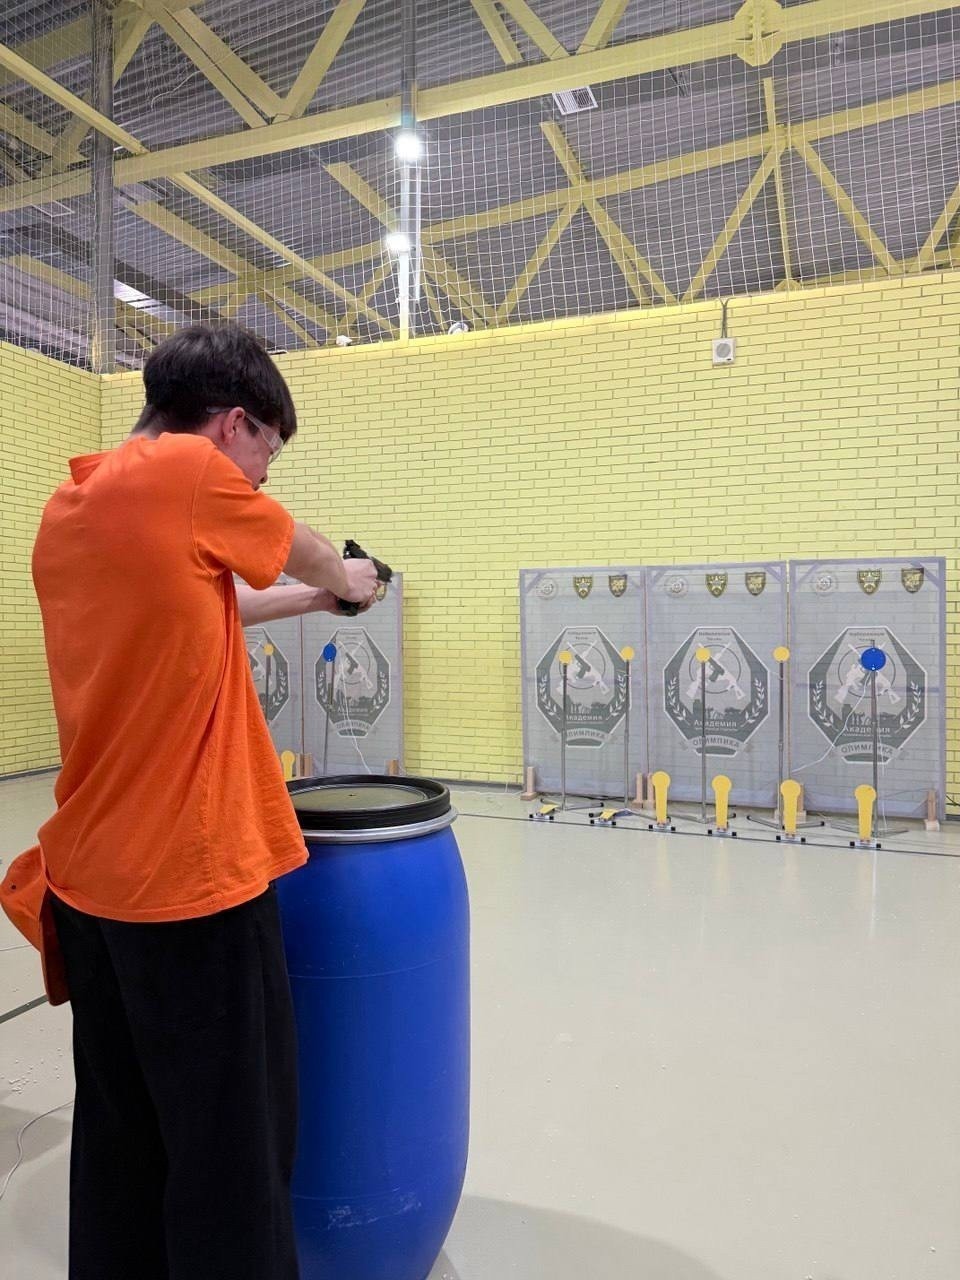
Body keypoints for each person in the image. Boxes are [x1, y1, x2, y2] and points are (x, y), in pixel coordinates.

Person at [28, 323, 380, 1280]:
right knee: (233, 1154)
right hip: (191, 884)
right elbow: (308, 551)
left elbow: (206, 599)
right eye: (266, 454)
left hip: (91, 883)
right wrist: (345, 580)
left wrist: (313, 606)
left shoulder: (74, 505)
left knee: (124, 1142)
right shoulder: (189, 471)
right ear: (232, 425)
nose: (260, 478)